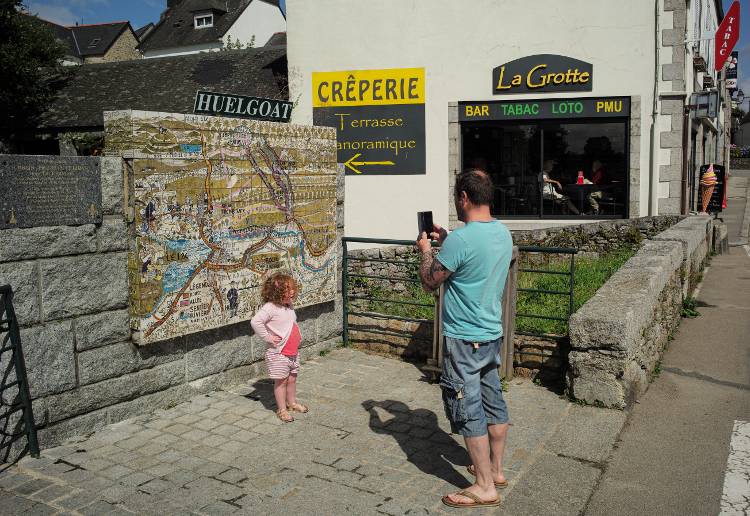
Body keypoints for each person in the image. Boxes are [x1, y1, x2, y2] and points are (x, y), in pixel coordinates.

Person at [415, 169, 513, 508]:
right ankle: (497, 470)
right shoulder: (503, 232)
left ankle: (484, 485)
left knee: (468, 409)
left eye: (457, 198)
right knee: (493, 402)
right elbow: (472, 257)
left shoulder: (461, 239)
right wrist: (446, 238)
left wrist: (426, 249)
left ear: (464, 198)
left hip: (463, 338)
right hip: (490, 336)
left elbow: (430, 281)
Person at [250, 272, 308, 422]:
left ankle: (292, 403)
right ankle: (281, 409)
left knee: (292, 379)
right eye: (287, 290)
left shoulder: (288, 306)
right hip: (278, 353)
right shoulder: (271, 307)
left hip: (293, 352)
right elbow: (255, 322)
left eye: (292, 288)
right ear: (276, 292)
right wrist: (267, 337)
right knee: (281, 381)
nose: (293, 292)